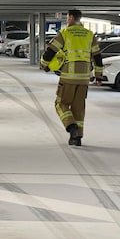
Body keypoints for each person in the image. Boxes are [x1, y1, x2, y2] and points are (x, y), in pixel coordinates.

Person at [40, 9, 103, 146]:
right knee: (78, 108)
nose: (67, 19)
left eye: (67, 17)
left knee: (60, 103)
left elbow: (51, 51)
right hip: (84, 77)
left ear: (71, 17)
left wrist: (44, 65)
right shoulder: (89, 34)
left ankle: (71, 127)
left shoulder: (65, 33)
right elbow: (97, 57)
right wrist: (98, 76)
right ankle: (77, 138)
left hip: (68, 76)